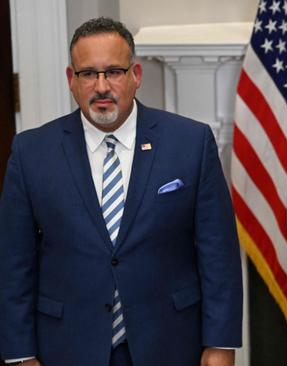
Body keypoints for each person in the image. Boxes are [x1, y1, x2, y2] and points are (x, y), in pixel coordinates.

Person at [0, 17, 242, 366]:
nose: (101, 86)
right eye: (88, 74)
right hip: (68, 347)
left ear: (135, 75)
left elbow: (218, 255)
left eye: (113, 71)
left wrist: (220, 344)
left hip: (170, 343)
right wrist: (21, 356)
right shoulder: (31, 153)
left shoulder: (190, 143)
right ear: (71, 80)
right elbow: (14, 264)